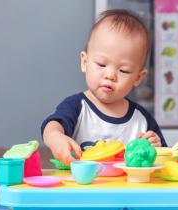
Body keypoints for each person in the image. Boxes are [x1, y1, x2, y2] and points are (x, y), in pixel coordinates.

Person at [41, 9, 167, 165]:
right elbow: (52, 125)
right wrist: (55, 136)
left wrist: (156, 148)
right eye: (101, 64)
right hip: (82, 188)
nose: (110, 75)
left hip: (126, 189)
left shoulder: (141, 121)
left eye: (123, 70)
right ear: (84, 62)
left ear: (138, 77)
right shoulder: (78, 107)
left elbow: (164, 161)